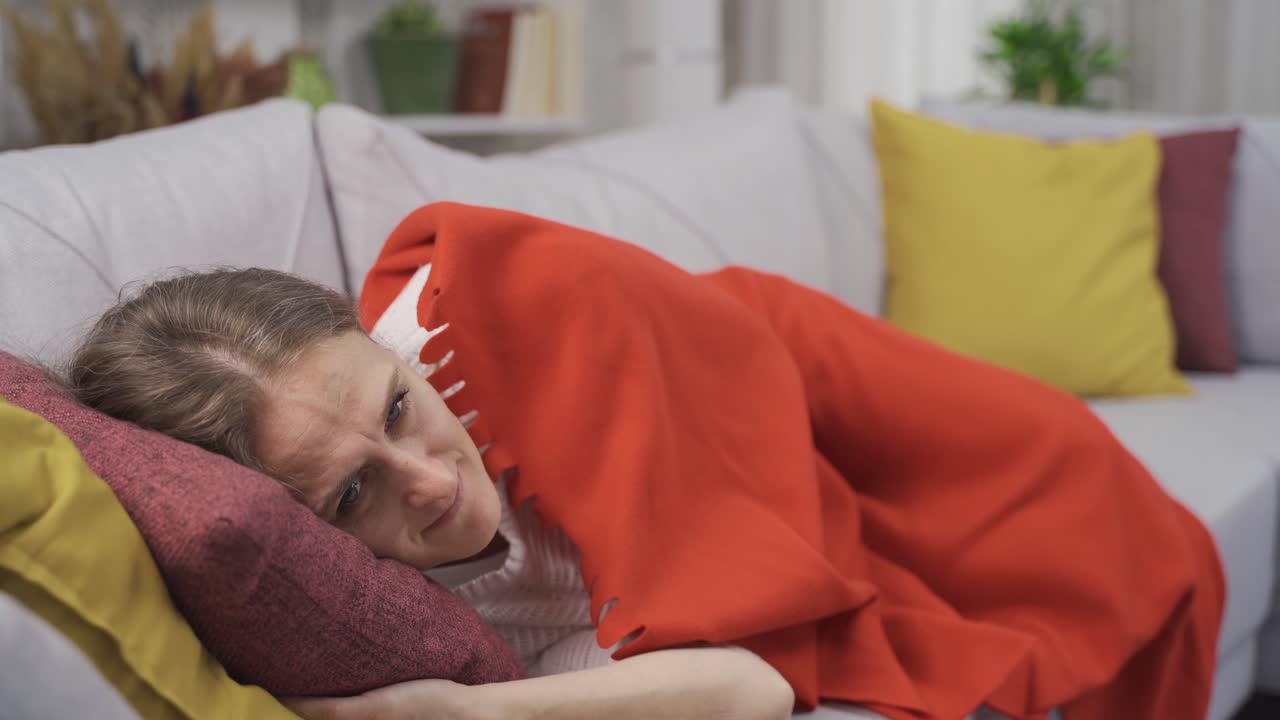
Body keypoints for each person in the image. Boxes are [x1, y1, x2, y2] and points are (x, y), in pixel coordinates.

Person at [64, 267, 797, 720]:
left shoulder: (466, 330)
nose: (433, 480)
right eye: (353, 492)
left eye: (397, 409)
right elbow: (753, 693)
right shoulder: (443, 625)